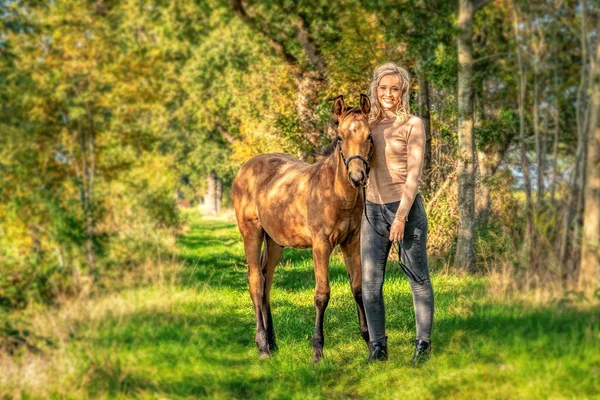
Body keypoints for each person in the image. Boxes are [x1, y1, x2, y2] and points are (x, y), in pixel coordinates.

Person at [361, 62, 434, 363]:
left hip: (406, 211)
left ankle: (423, 345)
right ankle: (378, 348)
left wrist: (401, 217)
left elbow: (414, 176)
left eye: (394, 88)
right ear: (375, 89)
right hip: (372, 212)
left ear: (403, 90)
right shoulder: (367, 122)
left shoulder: (412, 124)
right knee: (370, 283)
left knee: (417, 278)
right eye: (382, 88)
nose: (388, 94)